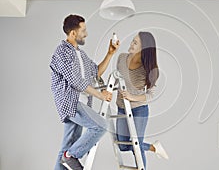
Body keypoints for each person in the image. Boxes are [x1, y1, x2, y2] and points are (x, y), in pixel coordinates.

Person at [50, 14, 119, 170]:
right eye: (83, 30)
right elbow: (75, 80)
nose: (86, 34)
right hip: (71, 102)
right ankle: (71, 156)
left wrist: (110, 53)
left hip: (81, 102)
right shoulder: (62, 52)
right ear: (73, 33)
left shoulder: (80, 54)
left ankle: (68, 155)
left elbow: (96, 73)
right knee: (100, 126)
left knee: (67, 145)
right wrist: (100, 95)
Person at [116, 31, 169, 169]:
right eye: (132, 40)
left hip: (139, 109)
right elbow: (117, 80)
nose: (131, 44)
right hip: (122, 108)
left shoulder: (150, 69)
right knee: (122, 145)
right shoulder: (121, 58)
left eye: (135, 42)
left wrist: (132, 97)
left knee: (136, 146)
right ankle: (153, 147)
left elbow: (150, 94)